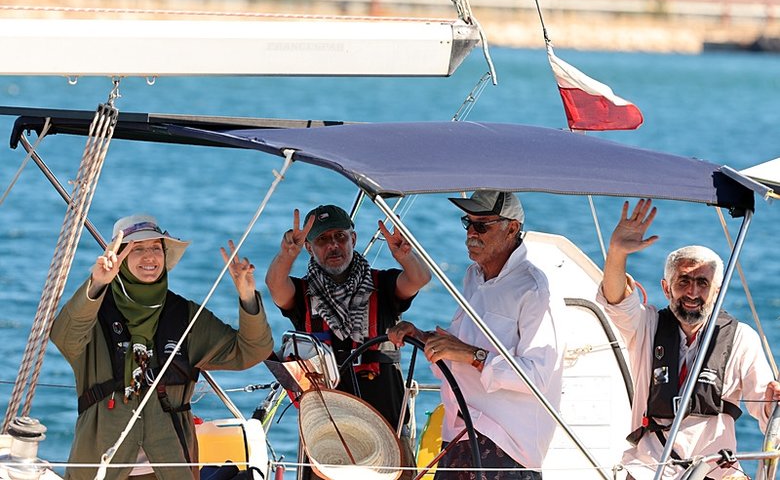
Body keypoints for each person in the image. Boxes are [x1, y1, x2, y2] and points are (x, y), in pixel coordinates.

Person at [51, 214, 275, 480]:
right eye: (137, 249)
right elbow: (65, 338)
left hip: (170, 468)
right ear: (119, 257)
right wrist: (97, 283)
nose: (150, 257)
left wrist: (247, 296)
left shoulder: (185, 315)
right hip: (101, 469)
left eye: (156, 248)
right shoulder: (93, 309)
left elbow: (251, 350)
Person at [598, 199, 780, 480]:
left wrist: (772, 399)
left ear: (717, 290)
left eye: (702, 283)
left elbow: (765, 409)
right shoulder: (647, 325)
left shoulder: (741, 338)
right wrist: (617, 251)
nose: (692, 293)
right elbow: (616, 299)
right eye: (683, 281)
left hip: (717, 469)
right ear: (666, 288)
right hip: (649, 466)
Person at [389, 190, 565, 480]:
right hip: (460, 433)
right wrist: (419, 335)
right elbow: (455, 350)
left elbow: (537, 377)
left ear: (512, 228)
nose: (471, 233)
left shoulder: (534, 290)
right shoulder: (473, 277)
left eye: (482, 226)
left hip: (505, 446)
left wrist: (473, 356)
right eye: (467, 223)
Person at [264, 204, 431, 478]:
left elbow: (419, 278)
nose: (333, 246)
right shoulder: (302, 295)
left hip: (386, 429)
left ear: (353, 239)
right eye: (322, 240)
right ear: (309, 248)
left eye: (340, 237)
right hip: (325, 438)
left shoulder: (384, 285)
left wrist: (406, 255)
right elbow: (275, 285)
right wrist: (285, 255)